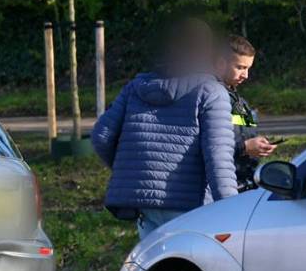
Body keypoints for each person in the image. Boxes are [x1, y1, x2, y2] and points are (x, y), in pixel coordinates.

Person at [91, 18, 239, 239]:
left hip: (145, 204)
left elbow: (101, 136)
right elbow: (219, 158)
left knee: (157, 269)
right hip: (190, 205)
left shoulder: (136, 87)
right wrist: (233, 213)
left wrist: (132, 170)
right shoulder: (211, 92)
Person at [218, 35, 274, 190]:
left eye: (248, 68)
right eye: (240, 67)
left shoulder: (238, 101)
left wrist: (260, 146)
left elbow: (248, 136)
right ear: (221, 63)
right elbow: (204, 149)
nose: (246, 75)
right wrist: (245, 147)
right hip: (221, 188)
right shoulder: (206, 98)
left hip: (244, 184)